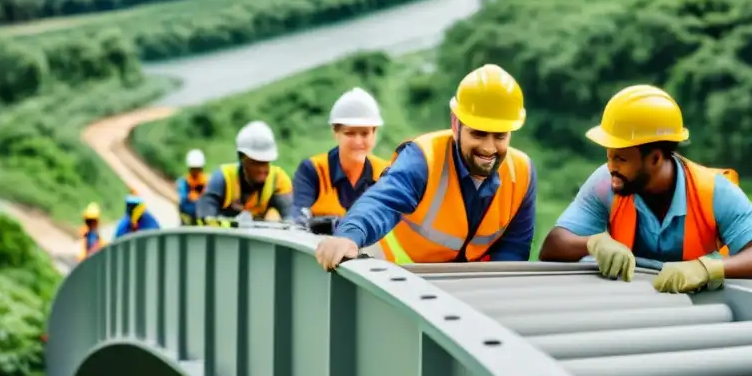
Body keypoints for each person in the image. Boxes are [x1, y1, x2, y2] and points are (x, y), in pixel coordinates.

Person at [539, 85, 752, 376]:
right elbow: (553, 246)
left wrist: (709, 267)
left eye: (621, 158)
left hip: (701, 312)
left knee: (734, 371)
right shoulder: (605, 184)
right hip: (626, 310)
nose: (611, 166)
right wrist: (593, 242)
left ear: (656, 157)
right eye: (609, 155)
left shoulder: (715, 193)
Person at [315, 64, 537, 270]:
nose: (489, 148)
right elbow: (383, 202)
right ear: (455, 124)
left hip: (468, 284)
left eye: (500, 136)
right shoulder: (424, 157)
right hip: (398, 276)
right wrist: (350, 235)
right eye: (478, 133)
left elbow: (513, 249)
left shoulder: (522, 172)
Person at [292, 87, 390, 227]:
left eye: (365, 133)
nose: (357, 141)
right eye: (349, 133)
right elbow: (298, 220)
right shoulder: (314, 170)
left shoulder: (385, 172)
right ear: (335, 133)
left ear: (375, 133)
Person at [196, 120, 293, 222]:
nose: (262, 170)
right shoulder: (222, 178)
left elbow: (292, 218)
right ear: (241, 158)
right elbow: (204, 219)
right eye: (255, 162)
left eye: (265, 162)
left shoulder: (278, 180)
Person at [177, 149, 208, 226]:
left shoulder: (207, 182)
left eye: (197, 169)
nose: (195, 171)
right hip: (187, 220)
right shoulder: (183, 182)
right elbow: (183, 201)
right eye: (193, 169)